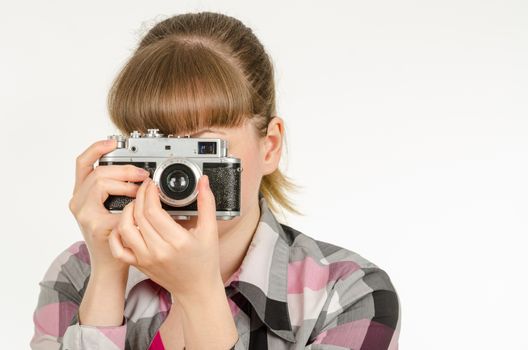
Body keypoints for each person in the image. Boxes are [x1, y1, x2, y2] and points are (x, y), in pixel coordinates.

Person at [30, 11, 401, 350]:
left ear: (269, 147)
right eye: (157, 146)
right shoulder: (79, 273)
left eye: (203, 146)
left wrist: (198, 294)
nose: (177, 174)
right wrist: (107, 275)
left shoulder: (348, 293)